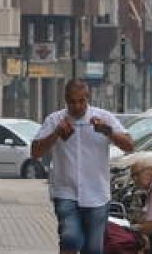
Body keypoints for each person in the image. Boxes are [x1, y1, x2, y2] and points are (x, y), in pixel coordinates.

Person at [32, 79, 135, 254]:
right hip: (66, 192)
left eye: (81, 101)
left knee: (93, 249)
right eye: (72, 101)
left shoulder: (103, 118)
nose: (77, 106)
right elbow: (35, 152)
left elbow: (130, 145)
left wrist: (108, 131)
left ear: (88, 99)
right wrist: (56, 133)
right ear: (65, 100)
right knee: (70, 237)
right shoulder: (55, 120)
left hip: (97, 195)